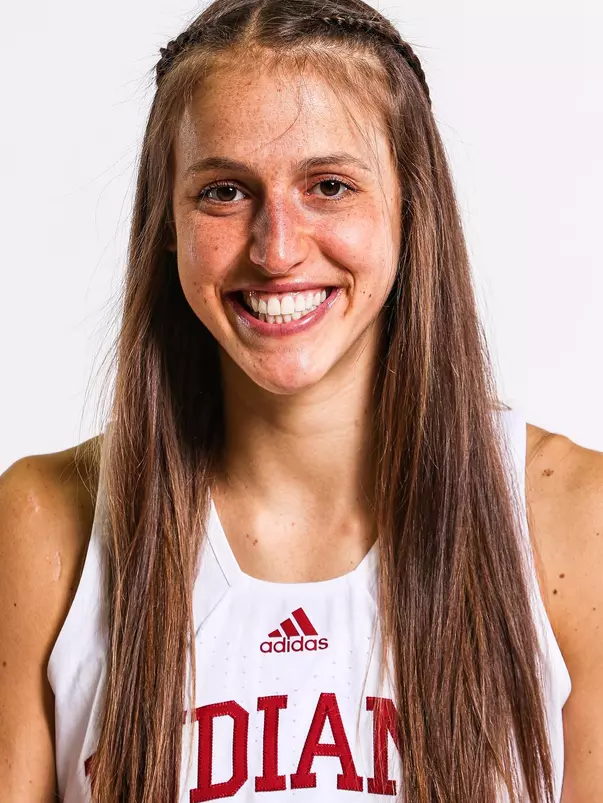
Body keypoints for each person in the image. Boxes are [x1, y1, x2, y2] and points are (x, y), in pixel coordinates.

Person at [1, 0, 602, 800]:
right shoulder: (45, 521)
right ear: (167, 218)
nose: (277, 248)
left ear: (410, 201)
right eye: (223, 191)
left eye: (328, 185)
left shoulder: (572, 519)